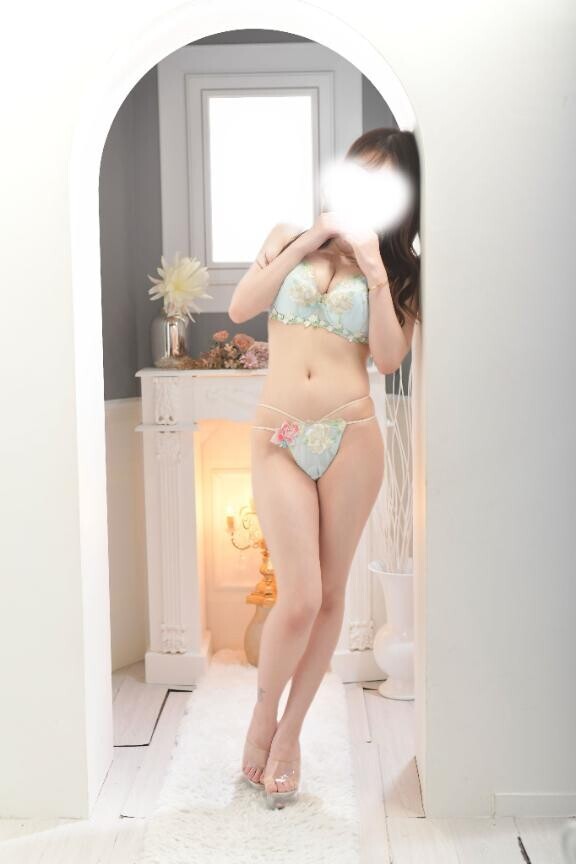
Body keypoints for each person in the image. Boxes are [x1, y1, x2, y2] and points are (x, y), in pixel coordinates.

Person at [228, 128, 421, 809]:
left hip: (352, 437)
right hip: (279, 434)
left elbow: (390, 359)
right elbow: (242, 306)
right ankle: (262, 715)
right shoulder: (289, 236)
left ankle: (290, 736)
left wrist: (373, 267)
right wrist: (314, 237)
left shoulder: (399, 271)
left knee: (332, 596)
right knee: (301, 596)